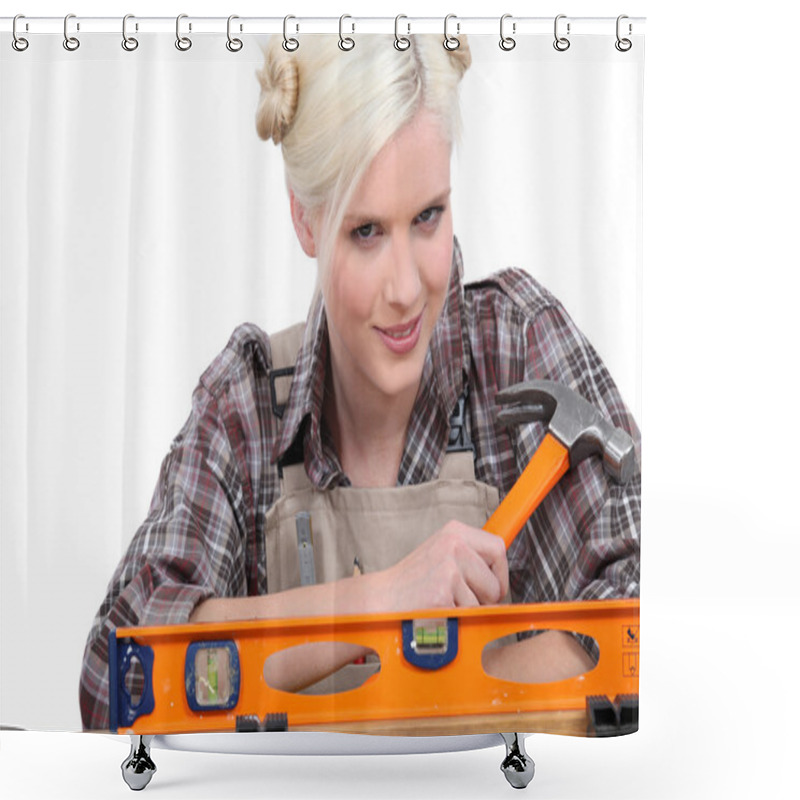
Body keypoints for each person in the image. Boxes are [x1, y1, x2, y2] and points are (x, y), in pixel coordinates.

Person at [80, 34, 640, 731]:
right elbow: (116, 681)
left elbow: (648, 639)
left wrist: (390, 699)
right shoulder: (247, 407)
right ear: (305, 219)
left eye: (428, 217)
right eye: (367, 232)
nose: (406, 289)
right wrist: (382, 602)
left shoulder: (519, 346)